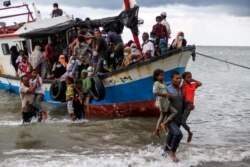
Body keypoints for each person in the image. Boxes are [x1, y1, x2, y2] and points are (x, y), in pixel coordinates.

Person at [163, 71, 184, 162]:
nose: (179, 80)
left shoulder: (181, 90)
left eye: (180, 78)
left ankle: (164, 153)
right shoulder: (167, 90)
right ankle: (172, 153)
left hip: (179, 118)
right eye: (177, 78)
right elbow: (159, 104)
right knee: (178, 134)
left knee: (171, 136)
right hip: (169, 118)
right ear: (171, 79)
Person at [152, 69, 177, 137]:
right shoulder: (156, 83)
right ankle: (163, 124)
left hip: (166, 101)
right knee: (173, 112)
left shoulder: (163, 82)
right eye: (161, 75)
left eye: (163, 75)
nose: (163, 76)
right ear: (157, 76)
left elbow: (165, 90)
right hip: (162, 101)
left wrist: (168, 95)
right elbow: (155, 92)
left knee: (163, 115)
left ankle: (157, 130)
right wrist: (166, 95)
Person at [181, 71, 202, 143]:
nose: (190, 78)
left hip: (189, 105)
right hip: (183, 104)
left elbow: (200, 84)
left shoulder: (192, 85)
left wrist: (193, 80)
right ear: (184, 79)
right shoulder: (183, 86)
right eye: (188, 77)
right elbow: (183, 95)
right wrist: (184, 84)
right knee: (179, 120)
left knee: (182, 122)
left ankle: (189, 132)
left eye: (190, 77)